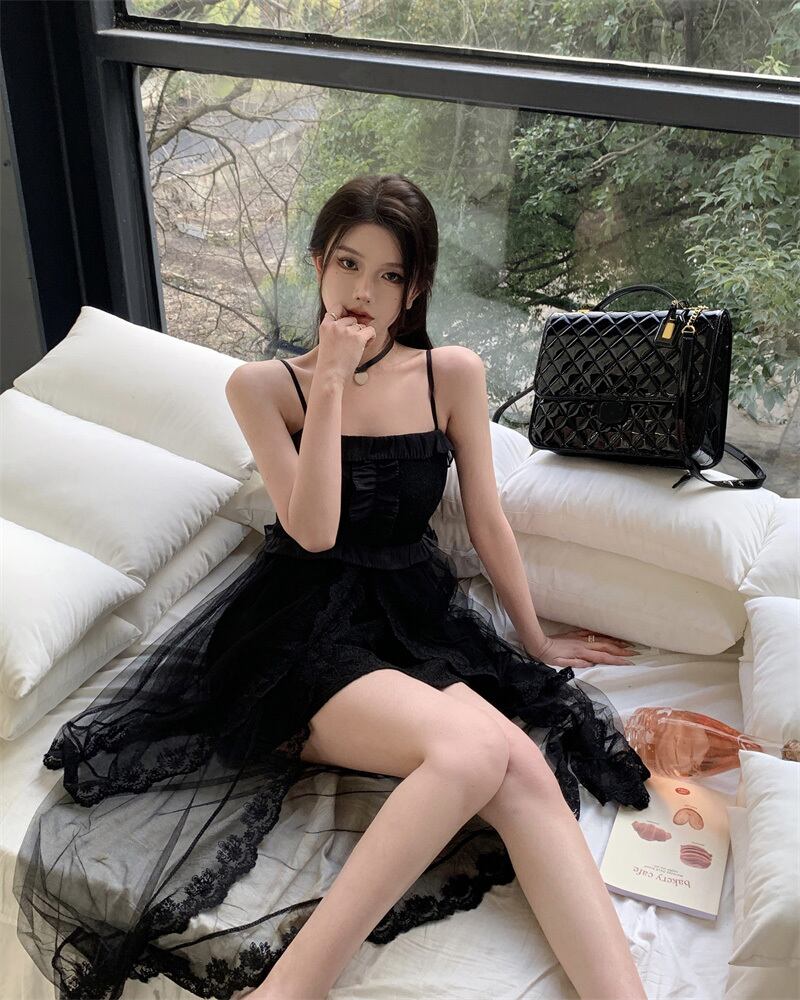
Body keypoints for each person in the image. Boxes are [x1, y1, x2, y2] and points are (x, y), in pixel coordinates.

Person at [14, 174, 651, 1000]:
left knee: (521, 766)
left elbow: (488, 522)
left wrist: (536, 641)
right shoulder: (261, 387)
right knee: (474, 751)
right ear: (317, 264)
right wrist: (329, 383)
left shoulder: (450, 375)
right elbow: (313, 530)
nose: (363, 292)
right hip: (299, 630)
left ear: (415, 288)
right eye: (348, 264)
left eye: (390, 275)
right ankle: (290, 990)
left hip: (409, 619)